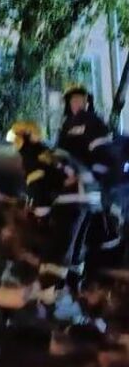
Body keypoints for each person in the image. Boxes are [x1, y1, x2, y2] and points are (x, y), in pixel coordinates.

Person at [9, 120, 99, 298]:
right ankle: (73, 290)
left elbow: (39, 190)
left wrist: (39, 215)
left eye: (14, 137)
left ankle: (48, 297)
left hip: (73, 199)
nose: (13, 142)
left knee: (56, 251)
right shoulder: (48, 150)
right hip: (90, 198)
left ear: (24, 137)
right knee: (73, 251)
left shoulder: (32, 156)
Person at [58, 84, 124, 261]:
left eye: (80, 99)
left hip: (91, 180)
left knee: (88, 218)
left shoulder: (94, 122)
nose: (77, 103)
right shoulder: (65, 125)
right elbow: (60, 153)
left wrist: (93, 175)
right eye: (73, 100)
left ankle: (108, 230)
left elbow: (104, 153)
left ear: (87, 102)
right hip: (70, 181)